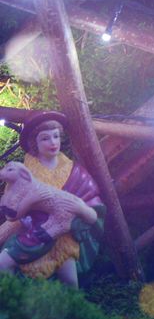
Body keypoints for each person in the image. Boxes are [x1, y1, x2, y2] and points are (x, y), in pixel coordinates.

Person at [0, 112, 105, 288]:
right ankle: (14, 300)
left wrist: (81, 208)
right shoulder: (22, 173)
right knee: (5, 266)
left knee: (69, 282)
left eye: (56, 136)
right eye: (45, 138)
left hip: (63, 239)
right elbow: (11, 213)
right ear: (34, 143)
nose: (53, 142)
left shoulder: (77, 173)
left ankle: (67, 305)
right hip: (30, 235)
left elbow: (94, 213)